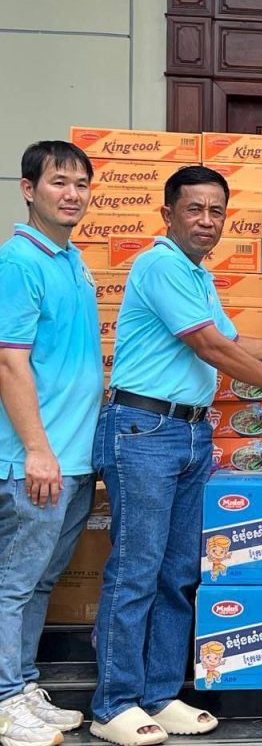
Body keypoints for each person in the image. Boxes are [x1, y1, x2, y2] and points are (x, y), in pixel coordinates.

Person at [90, 166, 262, 746]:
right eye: (194, 209)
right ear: (167, 214)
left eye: (216, 211)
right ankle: (113, 704)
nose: (206, 220)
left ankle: (158, 695)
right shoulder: (160, 265)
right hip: (145, 430)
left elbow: (234, 342)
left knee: (177, 573)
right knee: (136, 571)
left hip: (190, 434)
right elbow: (209, 347)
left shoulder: (196, 274)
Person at [0, 140, 100, 746]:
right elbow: (9, 362)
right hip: (35, 460)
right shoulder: (19, 261)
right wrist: (37, 450)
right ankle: (3, 700)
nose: (72, 194)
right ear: (28, 189)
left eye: (81, 184)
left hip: (73, 458)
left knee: (39, 581)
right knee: (13, 582)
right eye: (59, 182)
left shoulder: (71, 259)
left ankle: (22, 683)